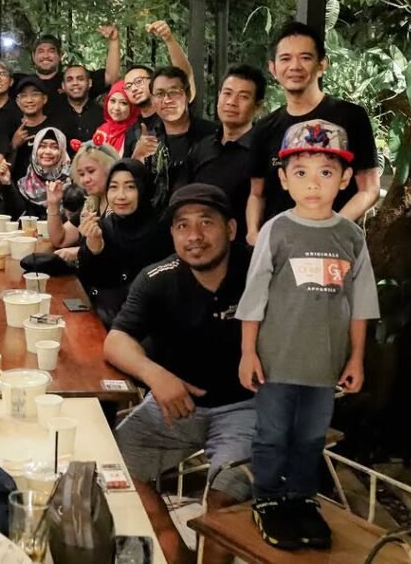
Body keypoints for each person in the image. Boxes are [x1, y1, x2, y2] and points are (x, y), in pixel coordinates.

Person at [236, 121, 379, 550]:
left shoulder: (351, 236)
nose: (313, 184)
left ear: (345, 178)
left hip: (324, 364)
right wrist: (248, 352)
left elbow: (361, 303)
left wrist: (356, 358)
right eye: (300, 172)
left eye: (325, 172)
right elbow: (254, 297)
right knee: (272, 433)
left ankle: (301, 498)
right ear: (283, 179)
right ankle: (267, 498)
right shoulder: (276, 230)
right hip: (277, 361)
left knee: (311, 437)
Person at [105, 184, 255, 564]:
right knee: (112, 466)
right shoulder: (157, 278)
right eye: (182, 226)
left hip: (247, 406)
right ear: (172, 234)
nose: (194, 236)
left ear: (231, 229)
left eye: (206, 222)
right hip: (177, 406)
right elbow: (116, 340)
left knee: (224, 500)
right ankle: (176, 553)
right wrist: (156, 376)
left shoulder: (260, 270)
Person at [246, 21, 380, 245]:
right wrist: (253, 233)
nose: (295, 66)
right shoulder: (264, 128)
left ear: (322, 64)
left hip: (333, 245)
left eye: (305, 58)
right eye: (285, 58)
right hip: (278, 245)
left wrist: (329, 230)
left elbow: (369, 189)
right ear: (273, 68)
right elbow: (257, 194)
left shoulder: (350, 116)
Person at [76, 160, 171, 327]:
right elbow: (89, 279)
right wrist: (94, 247)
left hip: (147, 323)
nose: (120, 196)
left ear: (144, 189)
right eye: (113, 187)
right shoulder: (103, 226)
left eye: (130, 187)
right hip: (104, 317)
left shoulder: (161, 230)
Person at [189, 65, 266, 245]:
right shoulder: (203, 146)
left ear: (258, 107)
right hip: (198, 243)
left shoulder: (263, 151)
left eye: (243, 97)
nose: (232, 102)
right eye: (227, 93)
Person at [0, 27, 120, 113]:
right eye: (40, 51)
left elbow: (110, 77)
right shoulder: (20, 81)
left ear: (60, 56)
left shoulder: (72, 81)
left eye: (51, 51)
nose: (45, 55)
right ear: (33, 56)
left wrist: (114, 41)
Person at [131, 67, 217, 210]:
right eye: (160, 94)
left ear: (188, 95)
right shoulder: (148, 139)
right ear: (152, 100)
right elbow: (129, 189)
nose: (167, 100)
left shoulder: (212, 135)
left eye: (174, 92)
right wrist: (137, 158)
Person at [47, 141, 120, 259]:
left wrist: (79, 253)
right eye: (81, 174)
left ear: (110, 169)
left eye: (91, 171)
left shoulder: (121, 204)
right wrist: (53, 204)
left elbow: (120, 250)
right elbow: (60, 240)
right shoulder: (91, 205)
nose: (85, 179)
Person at [10, 76, 71, 182]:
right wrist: (13, 145)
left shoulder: (58, 126)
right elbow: (3, 165)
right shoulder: (11, 126)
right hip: (17, 186)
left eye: (35, 95)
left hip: (53, 185)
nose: (29, 100)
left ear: (44, 99)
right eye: (23, 96)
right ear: (18, 101)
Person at [4, 127, 71, 218]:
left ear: (62, 151)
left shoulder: (72, 180)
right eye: (42, 146)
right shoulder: (25, 182)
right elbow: (17, 215)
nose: (47, 152)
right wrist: (7, 184)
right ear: (35, 149)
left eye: (55, 147)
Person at [93, 80, 140, 156]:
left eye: (123, 103)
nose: (116, 108)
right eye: (112, 101)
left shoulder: (136, 133)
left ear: (132, 107)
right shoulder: (102, 130)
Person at [60, 64, 105, 143]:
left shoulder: (103, 114)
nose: (75, 83)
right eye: (69, 80)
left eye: (80, 79)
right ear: (63, 86)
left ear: (89, 83)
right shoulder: (54, 115)